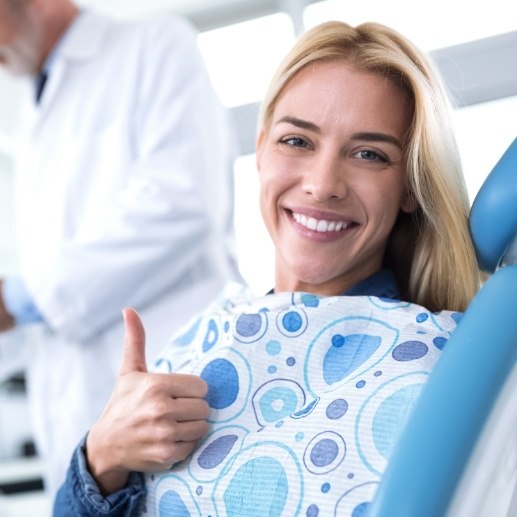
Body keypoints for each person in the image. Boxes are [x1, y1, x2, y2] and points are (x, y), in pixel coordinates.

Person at [54, 20, 481, 516]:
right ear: (260, 150)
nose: (323, 185)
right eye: (297, 141)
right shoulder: (198, 343)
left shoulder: (446, 367)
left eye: (368, 154)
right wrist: (102, 456)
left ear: (410, 185)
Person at [0, 0, 240, 496]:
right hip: (77, 423)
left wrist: (17, 299)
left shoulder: (153, 46)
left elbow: (183, 203)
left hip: (175, 397)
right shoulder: (22, 109)